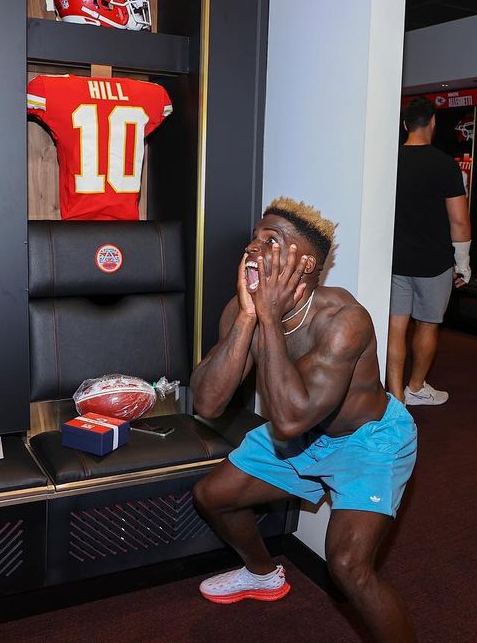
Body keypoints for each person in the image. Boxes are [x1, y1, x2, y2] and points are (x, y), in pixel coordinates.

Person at [191, 198, 418, 643]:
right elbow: (208, 404)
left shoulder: (344, 319)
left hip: (367, 441)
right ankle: (261, 574)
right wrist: (249, 318)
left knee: (349, 568)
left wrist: (268, 319)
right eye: (254, 239)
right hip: (303, 434)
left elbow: (292, 417)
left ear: (306, 263)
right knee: (212, 494)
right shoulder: (241, 311)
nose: (253, 249)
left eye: (270, 241)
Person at [387, 97, 471, 406]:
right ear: (433, 122)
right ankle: (416, 387)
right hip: (434, 262)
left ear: (405, 125)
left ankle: (395, 397)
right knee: (427, 324)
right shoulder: (445, 164)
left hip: (395, 260)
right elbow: (459, 220)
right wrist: (463, 263)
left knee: (396, 327)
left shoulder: (389, 162)